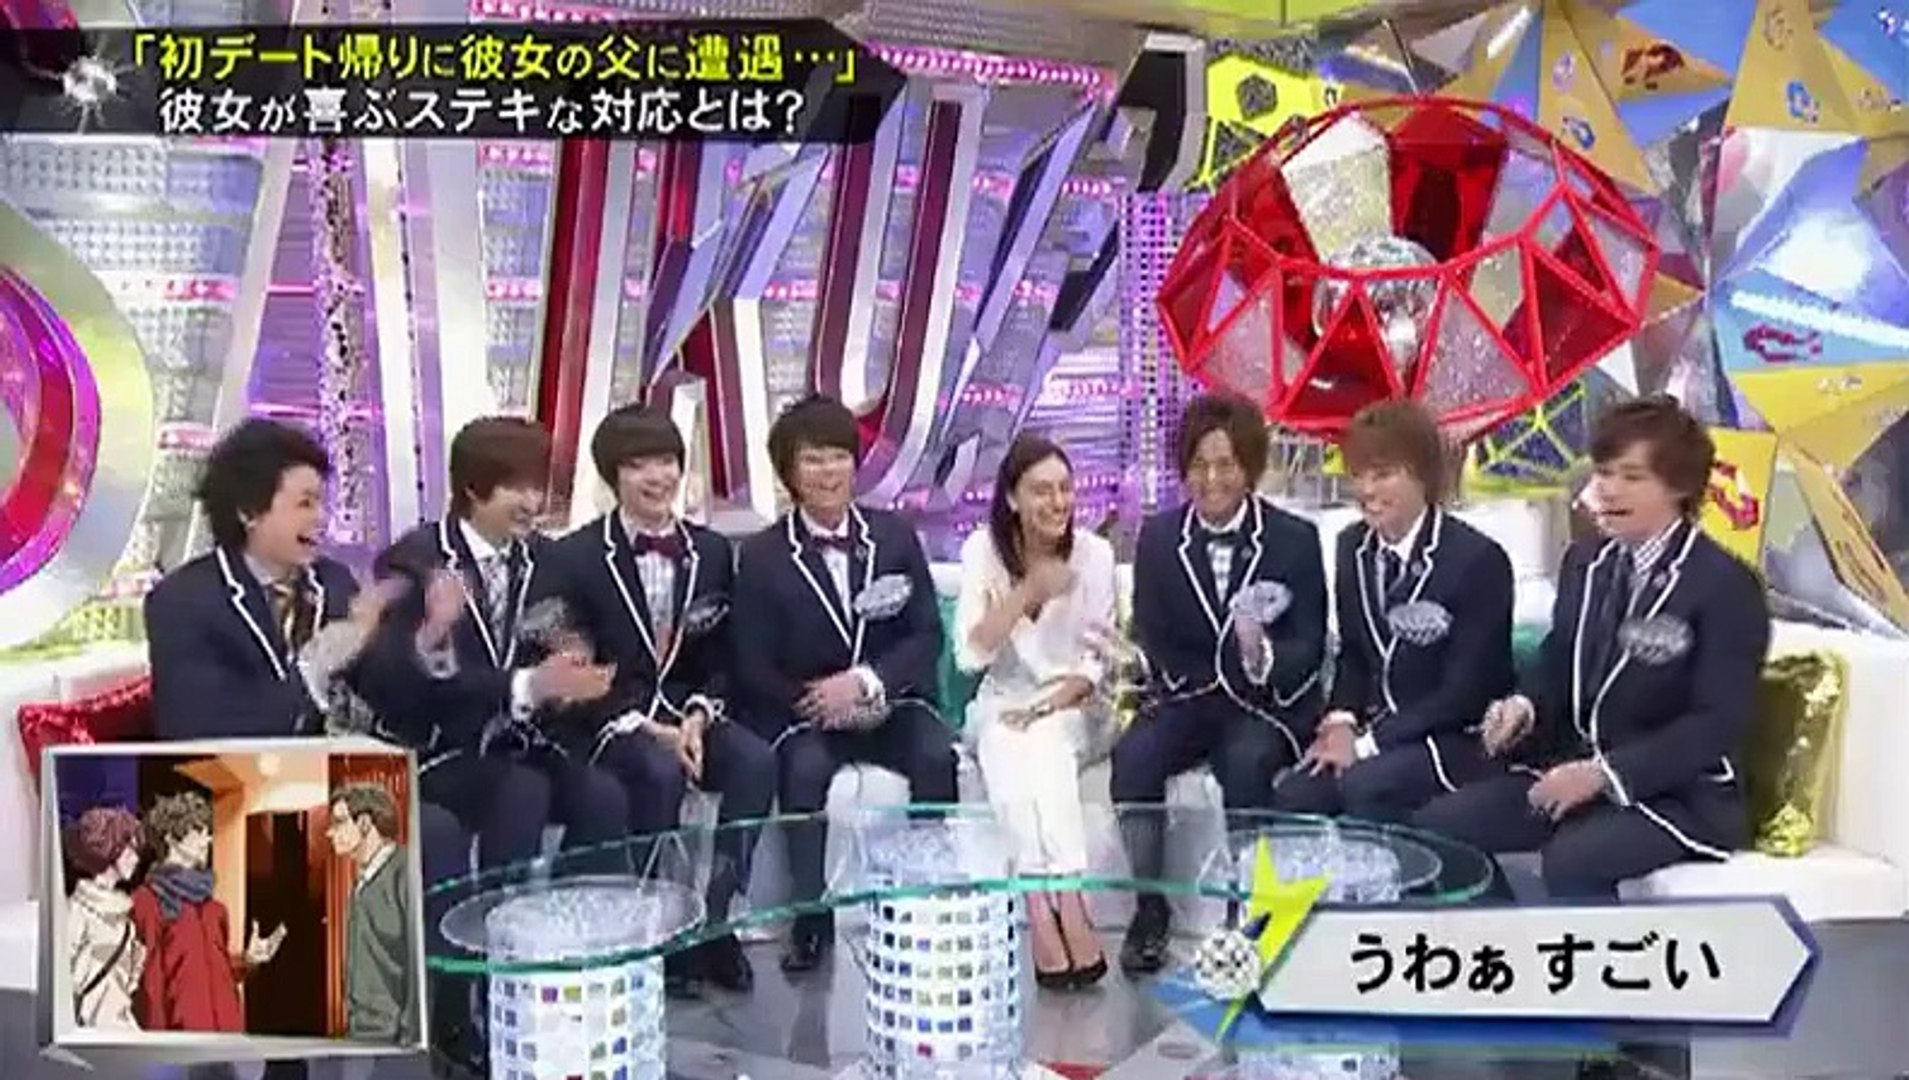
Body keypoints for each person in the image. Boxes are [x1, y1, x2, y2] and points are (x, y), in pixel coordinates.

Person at [141, 419, 474, 1066]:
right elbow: (200, 731)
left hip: (328, 784)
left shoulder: (333, 584)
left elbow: (388, 691)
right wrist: (319, 661)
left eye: (323, 502)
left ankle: (442, 1029)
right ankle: (284, 1056)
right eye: (304, 502)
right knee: (326, 842)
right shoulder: (183, 602)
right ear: (248, 510)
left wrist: (429, 638)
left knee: (437, 828)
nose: (321, 519)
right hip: (228, 795)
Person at [1412, 396, 1770, 899]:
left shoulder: (1724, 585)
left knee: (1574, 858)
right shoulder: (1586, 562)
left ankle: (1591, 954)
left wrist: (1605, 775)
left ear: (1681, 486)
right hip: (1577, 766)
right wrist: (1525, 705)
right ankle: (1503, 942)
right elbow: (1559, 657)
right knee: (1441, 827)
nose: (1608, 489)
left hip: (1676, 794)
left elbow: (1715, 723)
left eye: (1631, 476)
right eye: (1603, 472)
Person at [533, 405, 776, 996]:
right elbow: (564, 667)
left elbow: (722, 655)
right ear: (612, 475)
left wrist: (696, 715)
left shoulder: (712, 551)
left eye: (666, 461)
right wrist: (644, 726)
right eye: (639, 464)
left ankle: (715, 921)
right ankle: (653, 935)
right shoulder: (572, 557)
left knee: (755, 761)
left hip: (688, 713)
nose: (657, 476)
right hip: (609, 720)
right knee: (656, 770)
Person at [731, 394, 958, 974]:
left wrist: (865, 682)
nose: (828, 471)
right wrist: (813, 701)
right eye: (812, 459)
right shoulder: (761, 556)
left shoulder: (895, 536)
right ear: (788, 473)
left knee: (936, 755)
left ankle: (930, 898)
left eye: (838, 456)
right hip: (808, 713)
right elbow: (751, 663)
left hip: (890, 702)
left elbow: (926, 634)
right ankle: (811, 917)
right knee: (803, 771)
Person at [1110, 392, 1328, 975]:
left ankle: (1247, 914)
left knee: (1247, 760)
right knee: (1133, 758)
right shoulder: (1159, 538)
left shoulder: (1294, 539)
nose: (1211, 480)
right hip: (1190, 697)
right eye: (1199, 466)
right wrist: (1132, 661)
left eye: (1225, 464)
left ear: (1249, 466)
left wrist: (1262, 656)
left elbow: (1310, 643)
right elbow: (1151, 633)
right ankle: (1150, 910)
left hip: (1263, 705)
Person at [375, 416, 621, 868]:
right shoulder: (415, 562)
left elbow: (569, 639)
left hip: (525, 742)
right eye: (517, 489)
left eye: (537, 487)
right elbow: (408, 680)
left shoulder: (549, 560)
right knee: (522, 791)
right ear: (473, 488)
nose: (533, 502)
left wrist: (573, 674)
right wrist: (527, 684)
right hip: (443, 747)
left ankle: (577, 907)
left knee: (603, 796)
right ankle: (495, 910)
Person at [1274, 399, 1515, 822]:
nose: (1366, 491)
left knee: (1366, 785)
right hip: (1376, 732)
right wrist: (1341, 722)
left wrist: (1367, 745)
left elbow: (1465, 693)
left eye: (1382, 475)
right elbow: (1353, 655)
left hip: (1452, 738)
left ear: (1422, 474)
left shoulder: (1477, 559)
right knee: (1298, 793)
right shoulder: (1351, 547)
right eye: (1358, 475)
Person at [955, 434, 1116, 989]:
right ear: (1012, 498)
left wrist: (1044, 706)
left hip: (1075, 704)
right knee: (1006, 741)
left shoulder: (1095, 555)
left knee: (1042, 741)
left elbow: (1096, 665)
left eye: (1065, 489)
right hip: (1003, 700)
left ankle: (1067, 898)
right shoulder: (982, 552)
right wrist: (1025, 592)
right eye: (1041, 491)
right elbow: (970, 655)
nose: (1058, 502)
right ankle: (1038, 906)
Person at [129, 792, 286, 1032]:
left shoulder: (215, 910)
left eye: (208, 831)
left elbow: (214, 974)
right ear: (172, 838)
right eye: (199, 831)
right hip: (183, 1045)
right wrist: (161, 1048)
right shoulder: (147, 902)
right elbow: (150, 989)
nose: (208, 840)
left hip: (227, 1040)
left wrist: (247, 961)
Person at [325, 783, 418, 1046]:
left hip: (393, 1036)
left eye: (339, 822)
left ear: (365, 823)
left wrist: (409, 1036)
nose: (330, 833)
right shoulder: (362, 883)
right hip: (363, 1031)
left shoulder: (406, 872)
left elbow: (417, 961)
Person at [65, 806, 147, 1030]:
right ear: (110, 850)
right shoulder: (77, 910)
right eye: (129, 851)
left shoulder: (126, 919)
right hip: (91, 1027)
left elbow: (128, 985)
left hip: (121, 1024)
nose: (135, 859)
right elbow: (64, 977)